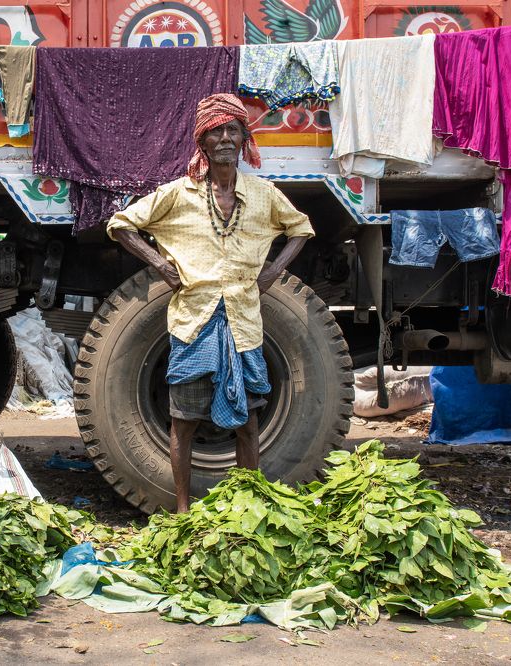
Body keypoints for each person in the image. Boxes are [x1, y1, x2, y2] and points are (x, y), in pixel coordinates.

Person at [106, 93, 315, 512]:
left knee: (249, 421)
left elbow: (302, 228)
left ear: (243, 139)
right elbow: (121, 224)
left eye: (232, 130)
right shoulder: (177, 194)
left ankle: (251, 508)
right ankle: (183, 510)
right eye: (215, 131)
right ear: (202, 143)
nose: (224, 138)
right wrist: (160, 265)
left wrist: (273, 272)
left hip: (244, 323)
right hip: (193, 323)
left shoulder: (263, 194)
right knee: (183, 421)